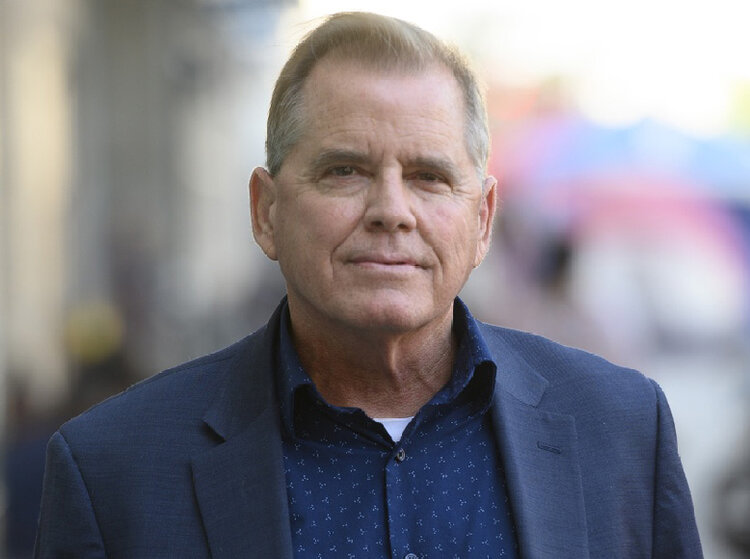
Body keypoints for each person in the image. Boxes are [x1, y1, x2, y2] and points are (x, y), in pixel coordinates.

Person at [35, 12, 702, 558]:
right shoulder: (113, 473)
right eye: (345, 171)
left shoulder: (622, 433)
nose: (392, 210)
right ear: (266, 212)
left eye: (429, 176)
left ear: (482, 220)